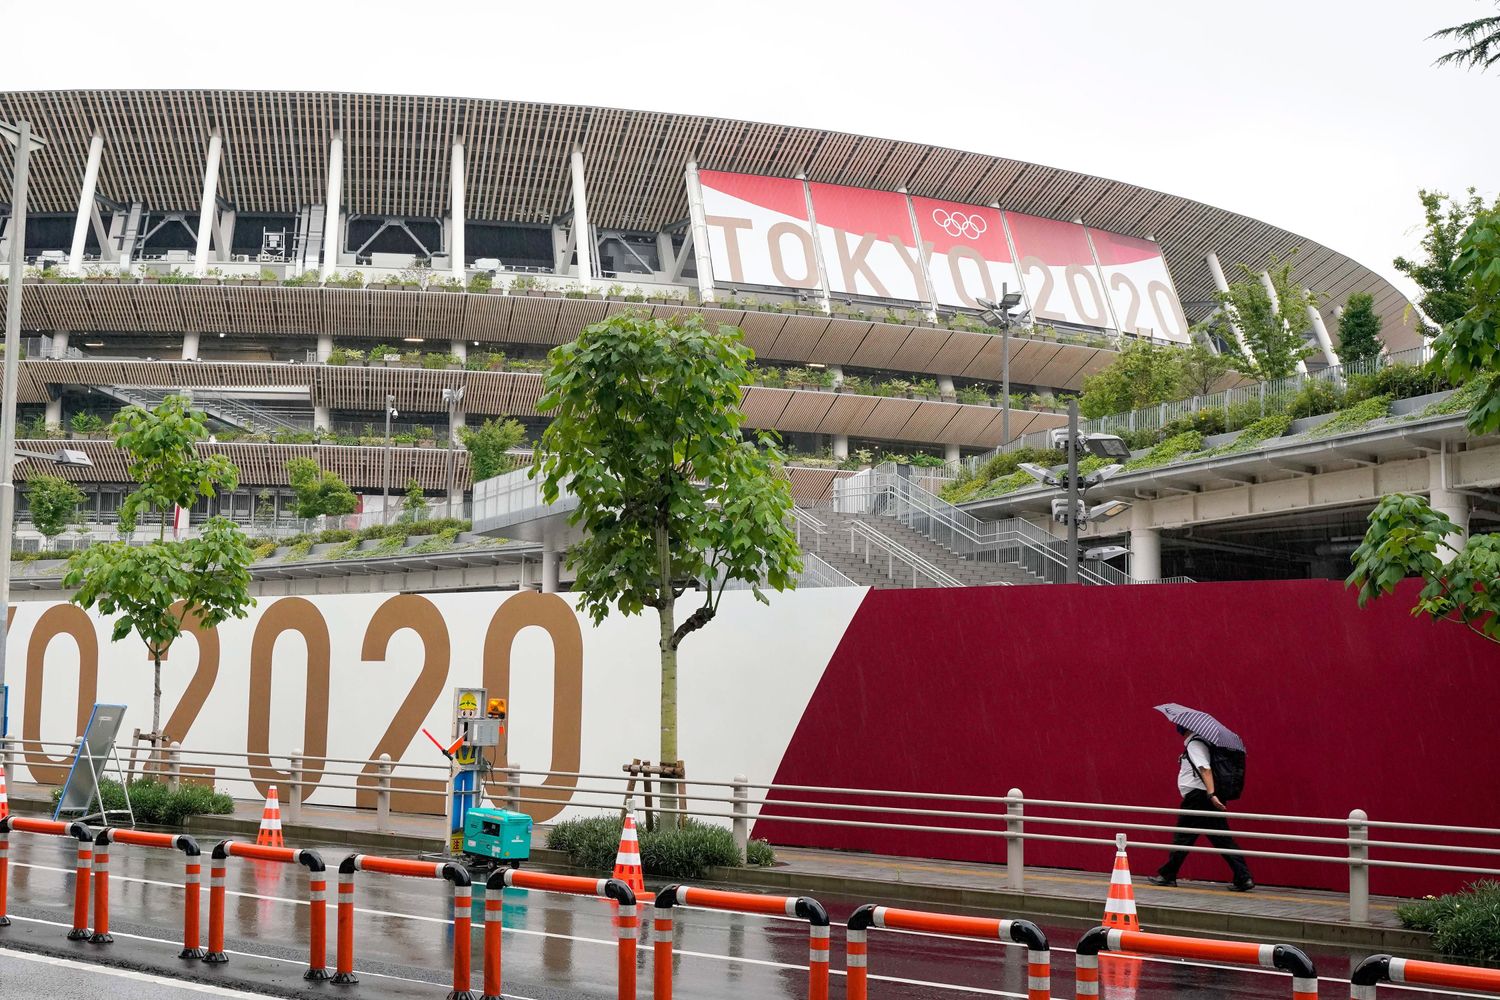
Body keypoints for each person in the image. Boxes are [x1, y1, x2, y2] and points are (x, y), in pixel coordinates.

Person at [1148, 724, 1254, 892]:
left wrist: (1211, 795)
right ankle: (1243, 877)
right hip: (1204, 798)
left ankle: (1167, 875)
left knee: (1183, 838)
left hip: (1199, 798)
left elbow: (1205, 769)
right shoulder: (1203, 743)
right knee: (1222, 839)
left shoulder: (1195, 744)